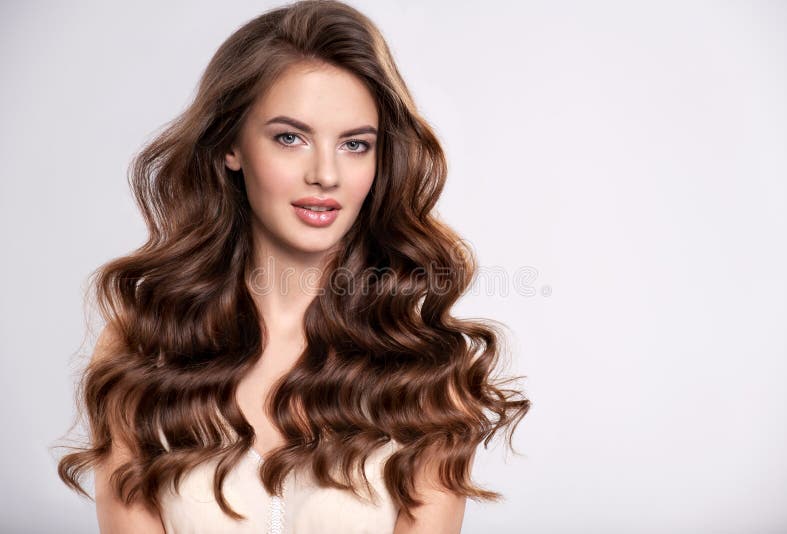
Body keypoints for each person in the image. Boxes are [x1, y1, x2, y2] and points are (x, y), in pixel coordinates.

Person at [57, 1, 530, 532]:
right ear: (231, 144)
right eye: (290, 137)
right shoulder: (142, 344)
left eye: (355, 145)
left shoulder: (425, 368)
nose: (326, 174)